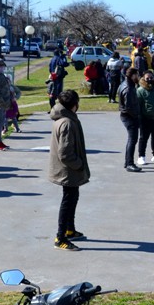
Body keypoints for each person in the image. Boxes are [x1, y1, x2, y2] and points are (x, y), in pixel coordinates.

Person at [49, 89, 91, 251]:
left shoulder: (65, 118)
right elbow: (65, 154)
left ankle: (69, 229)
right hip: (67, 169)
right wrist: (79, 164)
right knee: (68, 200)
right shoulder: (66, 123)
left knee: (73, 197)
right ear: (74, 105)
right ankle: (61, 237)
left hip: (68, 169)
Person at [118, 68, 142, 172]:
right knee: (132, 139)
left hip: (127, 115)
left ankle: (127, 162)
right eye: (137, 75)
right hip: (129, 117)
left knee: (132, 139)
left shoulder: (126, 84)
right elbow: (128, 107)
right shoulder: (128, 88)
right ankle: (129, 163)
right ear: (132, 75)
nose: (139, 77)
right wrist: (136, 116)